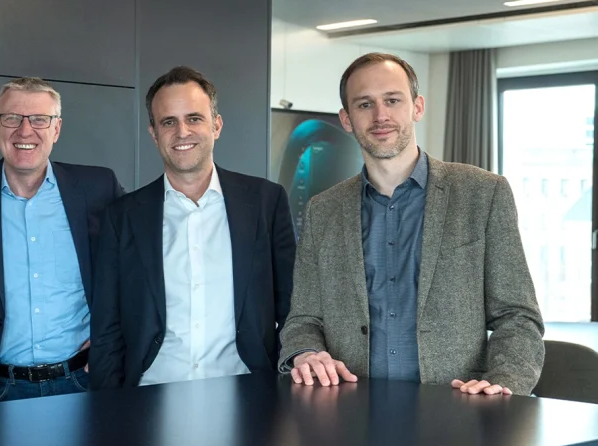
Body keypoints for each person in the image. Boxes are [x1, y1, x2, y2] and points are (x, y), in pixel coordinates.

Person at [278, 53, 544, 395]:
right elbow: (303, 319)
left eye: (392, 100)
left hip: (456, 410)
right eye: (364, 104)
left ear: (417, 107)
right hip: (349, 410)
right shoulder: (323, 210)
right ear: (346, 119)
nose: (380, 116)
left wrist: (504, 381)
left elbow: (518, 316)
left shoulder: (482, 193)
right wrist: (306, 353)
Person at [89, 66, 296, 389]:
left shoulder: (266, 202)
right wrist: (108, 406)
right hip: (150, 396)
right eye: (168, 122)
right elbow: (106, 329)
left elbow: (292, 307)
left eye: (194, 118)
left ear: (217, 125)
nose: (182, 131)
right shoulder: (122, 216)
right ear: (154, 133)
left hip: (248, 393)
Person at [0, 77, 124, 405]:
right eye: (12, 118)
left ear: (56, 129)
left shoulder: (98, 187)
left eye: (39, 119)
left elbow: (134, 270)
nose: (25, 131)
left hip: (85, 380)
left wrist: (116, 336)